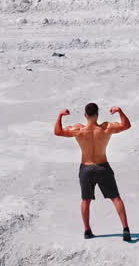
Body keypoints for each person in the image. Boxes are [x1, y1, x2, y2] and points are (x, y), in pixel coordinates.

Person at [54, 102, 132, 241]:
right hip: (103, 167)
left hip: (86, 169)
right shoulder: (106, 128)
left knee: (86, 200)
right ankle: (126, 228)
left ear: (85, 115)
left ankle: (87, 231)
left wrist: (60, 116)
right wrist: (120, 111)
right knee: (116, 198)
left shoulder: (79, 130)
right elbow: (126, 125)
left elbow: (58, 132)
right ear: (97, 115)